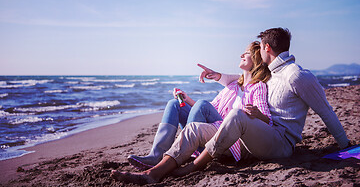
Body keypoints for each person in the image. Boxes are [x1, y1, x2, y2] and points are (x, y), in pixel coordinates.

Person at [111, 27, 350, 184]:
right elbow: (239, 80)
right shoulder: (270, 74)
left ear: (266, 48)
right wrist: (217, 75)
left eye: (258, 47)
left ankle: (194, 165)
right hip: (255, 135)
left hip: (281, 142)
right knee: (194, 129)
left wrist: (346, 146)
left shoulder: (297, 76)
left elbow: (325, 111)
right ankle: (154, 173)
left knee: (236, 114)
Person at [127, 41, 271, 170]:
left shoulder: (258, 87)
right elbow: (209, 110)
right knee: (174, 104)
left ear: (256, 59)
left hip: (225, 138)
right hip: (208, 128)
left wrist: (256, 114)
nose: (241, 54)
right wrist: (187, 99)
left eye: (246, 53)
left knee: (203, 103)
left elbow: (268, 120)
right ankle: (156, 155)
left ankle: (189, 151)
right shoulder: (233, 85)